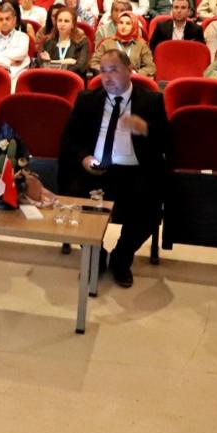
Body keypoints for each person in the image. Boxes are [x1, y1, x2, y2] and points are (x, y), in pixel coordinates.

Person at [58, 48, 168, 287]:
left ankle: (121, 257)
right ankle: (95, 255)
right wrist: (84, 157)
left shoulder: (151, 101)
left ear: (129, 70)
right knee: (73, 198)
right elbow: (69, 139)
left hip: (134, 171)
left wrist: (146, 129)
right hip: (95, 169)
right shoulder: (87, 100)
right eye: (103, 71)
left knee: (149, 209)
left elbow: (168, 142)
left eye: (114, 70)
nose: (107, 77)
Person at [92, 13, 156, 77]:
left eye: (128, 23)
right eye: (121, 23)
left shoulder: (142, 45)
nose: (123, 26)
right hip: (111, 80)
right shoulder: (106, 43)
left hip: (134, 81)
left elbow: (150, 68)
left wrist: (136, 74)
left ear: (134, 26)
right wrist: (108, 71)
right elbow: (93, 63)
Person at [0, 3, 31, 86]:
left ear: (14, 20)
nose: (4, 22)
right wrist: (8, 63)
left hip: (17, 76)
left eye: (7, 19)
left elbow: (20, 54)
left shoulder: (23, 37)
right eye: (1, 19)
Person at [39, 5, 90, 76]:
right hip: (50, 78)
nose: (62, 24)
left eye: (66, 21)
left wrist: (51, 62)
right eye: (60, 20)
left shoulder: (82, 41)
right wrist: (66, 61)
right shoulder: (47, 41)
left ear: (73, 24)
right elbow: (42, 65)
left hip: (72, 80)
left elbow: (80, 68)